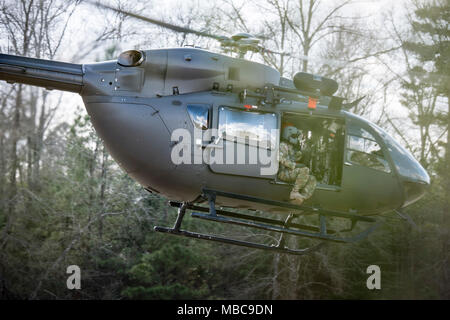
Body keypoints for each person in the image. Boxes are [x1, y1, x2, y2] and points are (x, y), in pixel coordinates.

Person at [278, 124, 317, 206]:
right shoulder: (282, 145)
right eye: (294, 136)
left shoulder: (290, 146)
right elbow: (280, 159)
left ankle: (301, 198)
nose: (296, 138)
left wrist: (302, 153)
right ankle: (294, 192)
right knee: (305, 170)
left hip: (289, 171)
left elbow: (293, 157)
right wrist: (294, 165)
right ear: (288, 135)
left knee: (312, 178)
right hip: (283, 172)